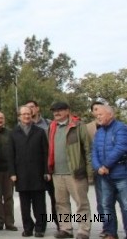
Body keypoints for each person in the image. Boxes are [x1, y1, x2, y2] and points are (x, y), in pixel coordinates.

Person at [47, 102, 92, 239]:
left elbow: (88, 150)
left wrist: (90, 174)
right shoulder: (52, 126)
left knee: (81, 203)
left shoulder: (78, 125)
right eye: (54, 110)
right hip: (57, 173)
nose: (56, 113)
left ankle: (84, 230)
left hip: (75, 172)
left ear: (67, 111)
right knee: (61, 203)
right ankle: (66, 229)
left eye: (60, 110)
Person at [9, 105, 49, 238]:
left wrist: (46, 171)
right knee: (25, 206)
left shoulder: (39, 132)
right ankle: (28, 227)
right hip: (21, 175)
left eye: (29, 114)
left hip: (38, 174)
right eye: (24, 114)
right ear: (19, 116)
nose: (27, 116)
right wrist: (12, 173)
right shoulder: (13, 133)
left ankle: (40, 228)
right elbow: (10, 155)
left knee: (40, 204)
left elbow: (45, 153)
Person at [91, 105, 127, 239]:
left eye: (100, 115)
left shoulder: (121, 128)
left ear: (110, 115)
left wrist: (106, 165)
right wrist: (98, 167)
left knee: (126, 205)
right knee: (106, 205)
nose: (98, 117)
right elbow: (93, 151)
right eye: (97, 116)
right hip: (104, 176)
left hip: (121, 174)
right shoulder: (99, 132)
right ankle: (110, 232)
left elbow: (121, 148)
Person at [26, 99, 58, 231]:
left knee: (55, 198)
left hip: (49, 166)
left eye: (32, 107)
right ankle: (40, 225)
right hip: (33, 169)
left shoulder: (49, 124)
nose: (30, 110)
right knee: (37, 200)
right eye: (27, 108)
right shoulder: (23, 126)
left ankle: (60, 224)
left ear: (38, 108)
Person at [0, 111, 17, 231]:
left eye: (1, 118)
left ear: (4, 120)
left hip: (8, 170)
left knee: (9, 197)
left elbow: (15, 152)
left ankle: (9, 222)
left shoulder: (11, 133)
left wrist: (14, 171)